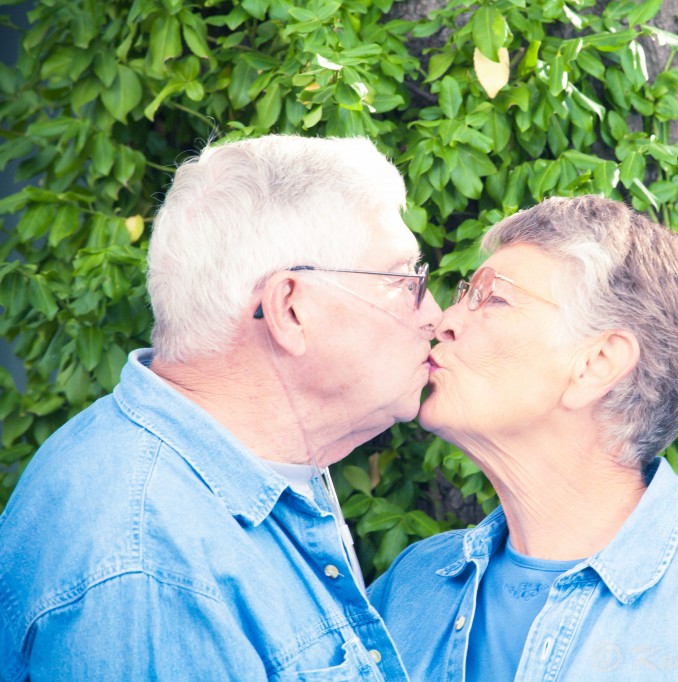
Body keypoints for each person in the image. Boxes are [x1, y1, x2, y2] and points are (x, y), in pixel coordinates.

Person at [0, 135, 441, 680]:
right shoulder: (152, 572)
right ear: (291, 309)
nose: (436, 316)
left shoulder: (233, 475)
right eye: (405, 281)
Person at [368, 195, 678, 681]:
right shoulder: (413, 583)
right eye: (463, 295)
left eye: (493, 299)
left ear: (597, 364)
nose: (444, 321)